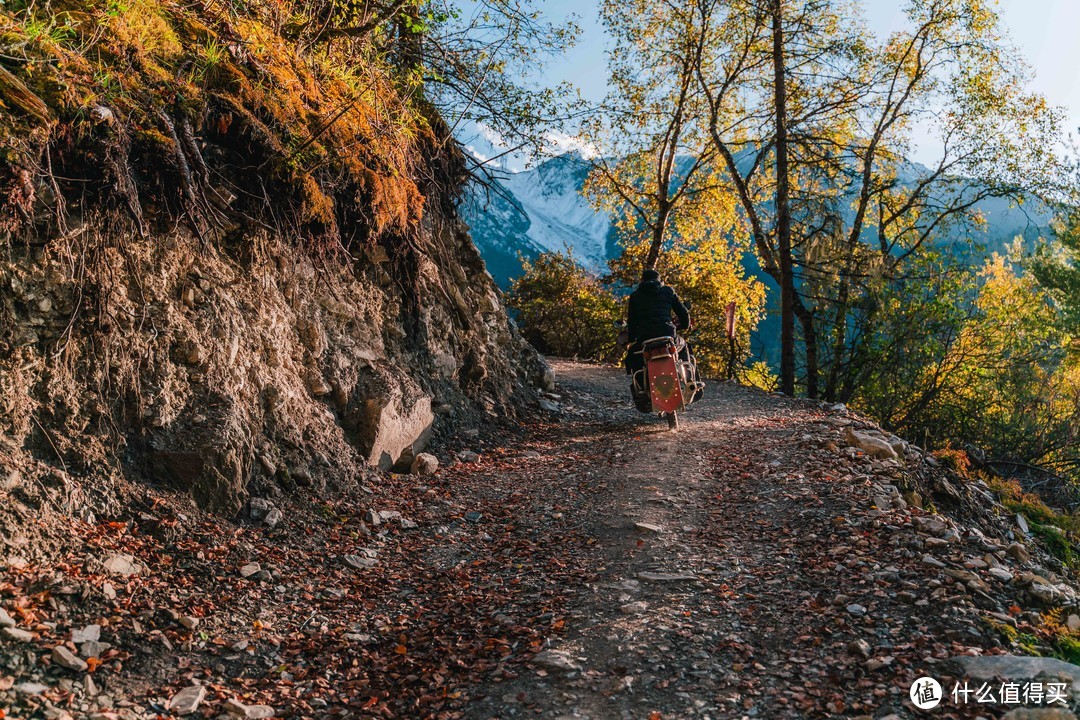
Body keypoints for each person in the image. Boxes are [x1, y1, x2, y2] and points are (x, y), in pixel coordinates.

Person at [624, 269, 700, 401]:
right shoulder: (668, 291)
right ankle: (690, 380)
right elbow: (683, 313)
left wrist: (631, 339)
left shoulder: (635, 296)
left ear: (642, 280)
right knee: (684, 345)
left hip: (645, 338)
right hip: (667, 334)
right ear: (660, 281)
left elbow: (632, 321)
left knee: (634, 355)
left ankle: (641, 387)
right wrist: (685, 325)